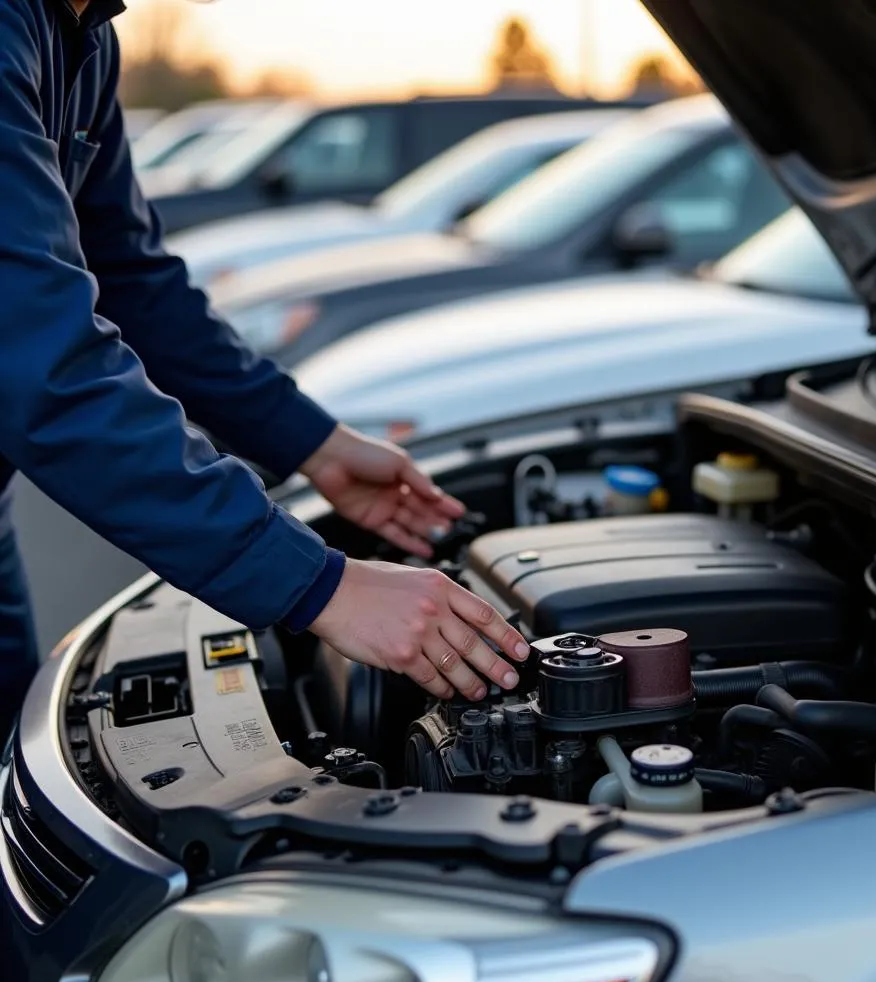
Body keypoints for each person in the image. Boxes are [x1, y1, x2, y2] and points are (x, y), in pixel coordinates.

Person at [0, 0, 530, 739]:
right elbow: (39, 360)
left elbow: (134, 283)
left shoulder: (84, 41)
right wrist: (317, 584)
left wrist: (312, 443)